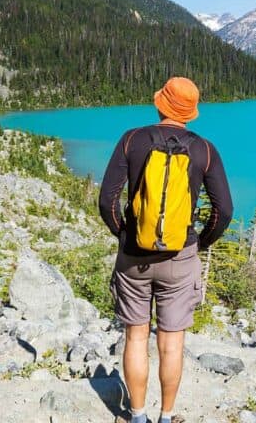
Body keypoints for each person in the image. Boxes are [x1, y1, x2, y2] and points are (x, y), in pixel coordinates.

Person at [99, 76, 233, 423]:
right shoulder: (204, 150)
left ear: (160, 103)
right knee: (172, 343)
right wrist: (199, 243)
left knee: (135, 336)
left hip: (134, 256)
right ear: (191, 112)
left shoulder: (131, 139)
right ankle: (167, 415)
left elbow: (107, 201)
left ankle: (138, 415)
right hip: (180, 257)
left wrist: (124, 235)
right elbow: (223, 211)